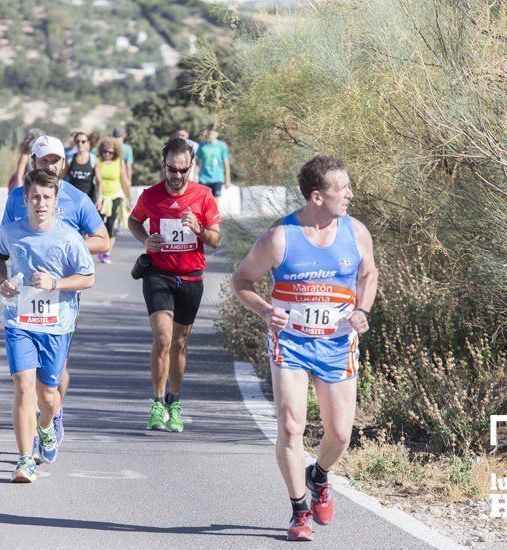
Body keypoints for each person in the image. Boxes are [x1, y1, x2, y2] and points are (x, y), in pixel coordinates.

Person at [230, 155, 378, 540]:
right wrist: (265, 310)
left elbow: (368, 273)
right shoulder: (280, 237)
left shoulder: (356, 232)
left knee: (341, 435)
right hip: (291, 344)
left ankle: (320, 475)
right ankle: (299, 511)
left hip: (337, 344)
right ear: (317, 196)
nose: (350, 194)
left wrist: (362, 309)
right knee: (291, 425)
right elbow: (242, 280)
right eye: (341, 189)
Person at [2, 135, 110, 450]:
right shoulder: (18, 198)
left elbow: (102, 240)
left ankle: (53, 413)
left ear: (63, 162)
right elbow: (6, 243)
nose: (50, 165)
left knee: (56, 371)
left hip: (63, 291)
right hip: (25, 294)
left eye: (55, 160)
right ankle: (32, 435)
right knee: (25, 380)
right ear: (33, 162)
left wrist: (66, 248)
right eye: (44, 160)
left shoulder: (77, 199)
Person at [0, 170, 96, 482]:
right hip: (18, 321)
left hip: (56, 324)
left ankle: (47, 427)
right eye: (34, 197)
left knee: (48, 395)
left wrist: (56, 283)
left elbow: (88, 278)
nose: (40, 203)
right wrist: (3, 283)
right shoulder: (11, 231)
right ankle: (25, 460)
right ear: (25, 199)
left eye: (46, 197)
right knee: (24, 387)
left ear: (55, 201)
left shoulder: (68, 237)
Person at [128, 137, 221, 432]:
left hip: (192, 278)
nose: (177, 176)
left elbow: (216, 240)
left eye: (183, 170)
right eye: (172, 169)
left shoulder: (203, 195)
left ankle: (174, 402)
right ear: (163, 165)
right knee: (163, 339)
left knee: (180, 343)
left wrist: (200, 229)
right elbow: (134, 221)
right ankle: (157, 403)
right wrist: (146, 241)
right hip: (159, 275)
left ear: (191, 166)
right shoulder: (151, 196)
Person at [96, 138, 131, 264]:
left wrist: (129, 198)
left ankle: (107, 252)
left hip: (116, 195)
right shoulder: (98, 161)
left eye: (110, 152)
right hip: (102, 197)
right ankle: (102, 247)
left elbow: (124, 180)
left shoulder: (118, 161)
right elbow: (98, 180)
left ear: (115, 152)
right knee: (100, 224)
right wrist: (99, 197)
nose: (107, 154)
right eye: (105, 151)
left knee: (110, 223)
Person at [66, 131, 101, 206]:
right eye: (77, 141)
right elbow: (62, 178)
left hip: (89, 199)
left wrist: (99, 199)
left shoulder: (93, 159)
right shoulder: (69, 159)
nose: (80, 144)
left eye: (83, 141)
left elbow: (99, 181)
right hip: (72, 200)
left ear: (88, 142)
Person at [195, 129, 231, 198]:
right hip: (204, 178)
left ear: (217, 135)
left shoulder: (222, 145)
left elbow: (226, 164)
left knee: (215, 201)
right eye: (209, 133)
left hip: (218, 177)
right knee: (203, 199)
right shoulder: (202, 145)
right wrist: (195, 176)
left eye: (212, 134)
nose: (210, 135)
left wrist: (228, 179)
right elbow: (198, 163)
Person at [7, 128, 43, 193]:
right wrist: (19, 189)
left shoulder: (37, 155)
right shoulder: (25, 155)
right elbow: (19, 174)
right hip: (23, 185)